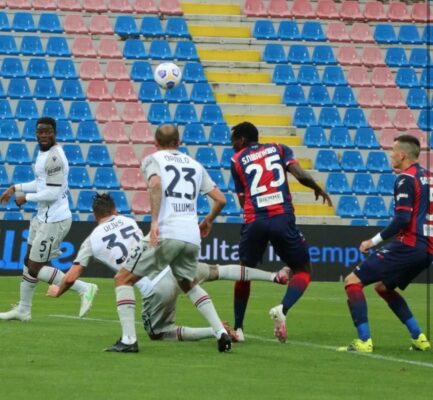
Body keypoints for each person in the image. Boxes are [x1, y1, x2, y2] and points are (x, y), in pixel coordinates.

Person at [48, 193, 291, 343]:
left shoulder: (91, 240)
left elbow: (71, 276)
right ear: (115, 211)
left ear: (94, 217)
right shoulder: (128, 221)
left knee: (159, 333)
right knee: (217, 270)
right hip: (171, 267)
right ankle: (274, 275)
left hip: (154, 288)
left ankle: (213, 331)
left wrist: (58, 291)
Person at [99, 124, 230, 353]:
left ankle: (128, 340)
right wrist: (208, 220)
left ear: (155, 143)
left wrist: (154, 222)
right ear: (178, 143)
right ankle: (221, 332)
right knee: (187, 283)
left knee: (123, 278)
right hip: (191, 236)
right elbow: (220, 199)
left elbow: (155, 183)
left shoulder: (153, 159)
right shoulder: (196, 165)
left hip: (167, 232)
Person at [230, 121, 333, 342]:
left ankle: (238, 329)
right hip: (281, 218)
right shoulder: (279, 148)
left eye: (234, 141)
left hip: (255, 220)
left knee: (243, 273)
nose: (232, 145)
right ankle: (283, 309)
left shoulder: (236, 160)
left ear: (243, 140)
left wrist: (253, 218)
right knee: (303, 270)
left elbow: (242, 198)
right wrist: (317, 188)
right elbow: (300, 175)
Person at [338, 135, 433, 353]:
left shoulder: (405, 179)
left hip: (409, 244)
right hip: (427, 249)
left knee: (352, 282)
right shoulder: (428, 177)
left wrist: (372, 241)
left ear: (403, 155)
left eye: (393, 151)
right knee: (383, 288)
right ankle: (419, 337)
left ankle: (364, 341)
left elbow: (402, 219)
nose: (391, 155)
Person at [0, 117, 97, 322]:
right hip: (42, 217)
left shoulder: (54, 158)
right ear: (36, 133)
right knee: (28, 261)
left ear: (54, 133)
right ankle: (23, 310)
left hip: (55, 220)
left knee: (35, 267)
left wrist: (25, 197)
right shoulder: (43, 153)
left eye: (48, 131)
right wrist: (16, 188)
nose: (44, 135)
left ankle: (84, 288)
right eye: (40, 131)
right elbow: (41, 183)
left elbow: (52, 193)